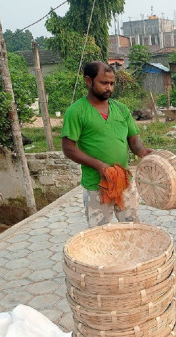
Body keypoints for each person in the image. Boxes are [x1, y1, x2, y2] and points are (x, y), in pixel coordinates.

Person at [62, 61, 152, 227]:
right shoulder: (76, 111)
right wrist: (99, 165)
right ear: (88, 81)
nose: (109, 88)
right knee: (100, 235)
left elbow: (133, 141)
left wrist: (143, 152)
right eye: (104, 83)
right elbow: (68, 149)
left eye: (112, 83)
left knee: (133, 230)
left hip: (124, 182)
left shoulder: (121, 109)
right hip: (96, 186)